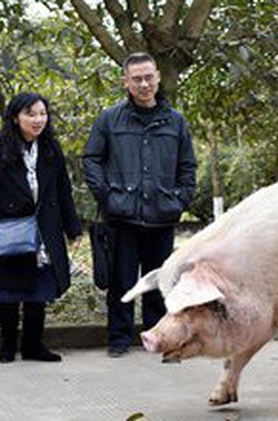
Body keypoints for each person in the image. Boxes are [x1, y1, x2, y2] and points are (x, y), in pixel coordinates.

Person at [83, 52, 197, 358]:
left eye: (148, 77)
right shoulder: (110, 119)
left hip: (162, 215)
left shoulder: (175, 121)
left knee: (160, 282)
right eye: (137, 79)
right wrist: (107, 196)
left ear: (158, 77)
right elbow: (91, 159)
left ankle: (157, 337)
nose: (144, 84)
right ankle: (119, 339)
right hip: (122, 216)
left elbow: (188, 167)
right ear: (126, 82)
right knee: (121, 282)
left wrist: (179, 199)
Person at [0, 93, 82, 363]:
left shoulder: (51, 148)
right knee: (9, 291)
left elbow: (63, 190)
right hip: (10, 229)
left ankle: (34, 345)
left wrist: (73, 228)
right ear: (15, 117)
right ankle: (8, 345)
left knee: (39, 290)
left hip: (45, 228)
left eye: (42, 114)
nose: (38, 120)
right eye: (30, 114)